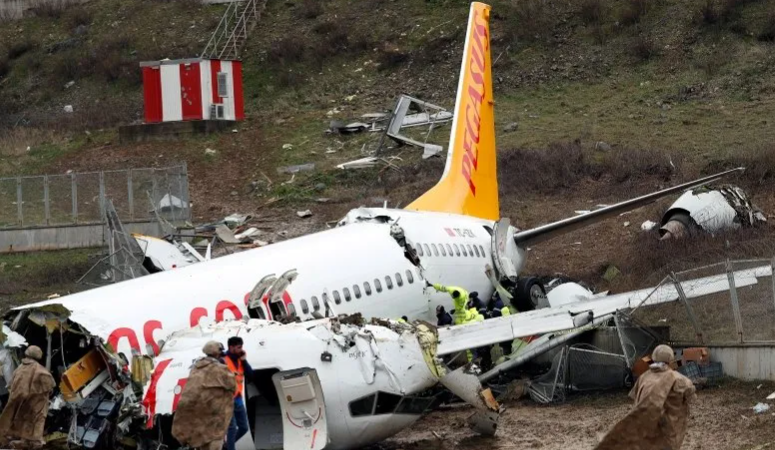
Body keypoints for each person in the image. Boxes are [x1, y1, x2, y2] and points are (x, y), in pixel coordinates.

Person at [594, 345, 696, 450]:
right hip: (669, 435)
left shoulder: (643, 377)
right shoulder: (681, 380)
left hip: (645, 433)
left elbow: (635, 398)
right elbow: (691, 398)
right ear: (670, 359)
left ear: (654, 358)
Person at [172, 341, 236, 450]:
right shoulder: (221, 369)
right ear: (217, 353)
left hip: (200, 423)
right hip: (215, 420)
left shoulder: (195, 369)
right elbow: (233, 386)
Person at [0, 345, 55, 449]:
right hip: (33, 404)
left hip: (18, 401)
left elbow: (11, 383)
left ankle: (15, 440)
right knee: (37, 422)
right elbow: (49, 385)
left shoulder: (20, 368)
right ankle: (33, 443)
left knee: (14, 421)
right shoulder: (40, 370)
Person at [224, 336, 254, 450]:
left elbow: (250, 375)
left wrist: (244, 360)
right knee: (232, 428)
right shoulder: (223, 360)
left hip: (238, 398)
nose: (241, 349)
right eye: (238, 347)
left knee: (244, 428)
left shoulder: (240, 360)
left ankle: (226, 447)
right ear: (231, 347)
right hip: (226, 399)